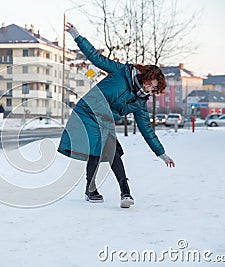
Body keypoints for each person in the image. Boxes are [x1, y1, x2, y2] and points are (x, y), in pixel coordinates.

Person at [58, 22, 175, 208]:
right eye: (152, 85)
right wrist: (76, 35)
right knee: (98, 148)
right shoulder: (122, 71)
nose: (152, 90)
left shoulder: (140, 103)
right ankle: (96, 190)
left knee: (108, 150)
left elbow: (147, 130)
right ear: (146, 76)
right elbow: (96, 58)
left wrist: (161, 154)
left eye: (155, 89)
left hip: (104, 119)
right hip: (88, 111)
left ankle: (123, 193)